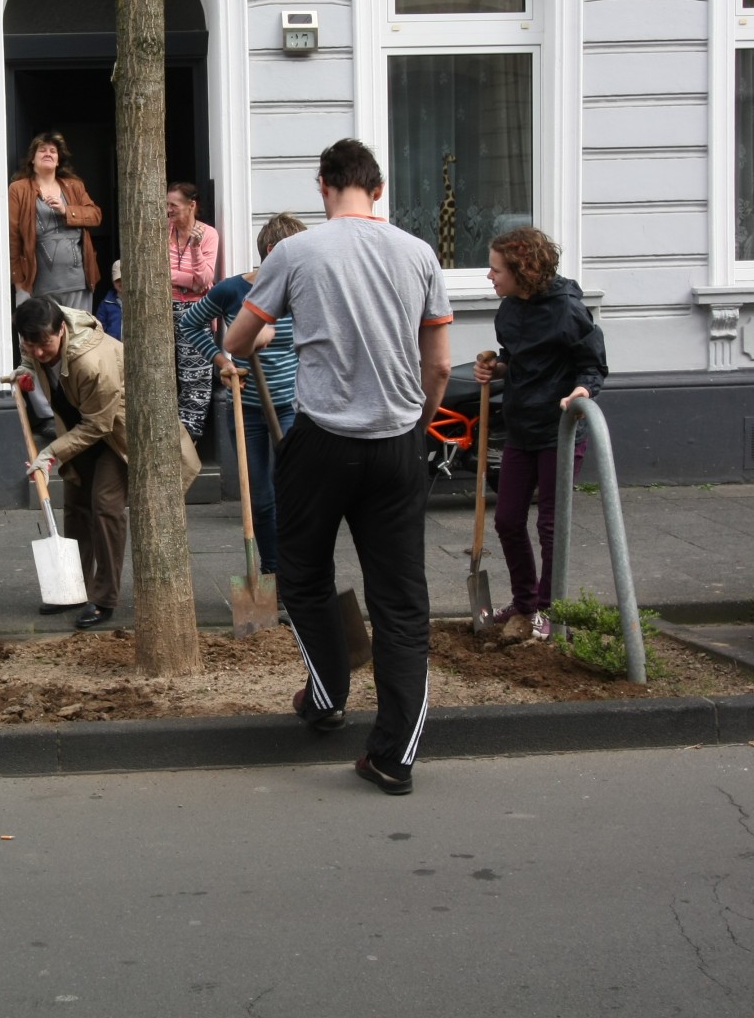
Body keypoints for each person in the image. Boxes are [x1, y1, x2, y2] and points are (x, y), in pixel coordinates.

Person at [225, 139, 451, 797]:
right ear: (376, 190)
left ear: (323, 186)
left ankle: (326, 697)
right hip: (398, 442)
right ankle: (394, 757)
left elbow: (239, 339)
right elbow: (437, 364)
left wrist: (260, 331)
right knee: (402, 603)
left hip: (321, 441)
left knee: (300, 575)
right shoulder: (420, 254)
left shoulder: (296, 252)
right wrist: (419, 424)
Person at [14, 296, 200, 630]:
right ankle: (75, 587)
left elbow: (98, 426)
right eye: (31, 345)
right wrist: (27, 369)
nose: (39, 351)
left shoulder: (91, 361)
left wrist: (49, 454)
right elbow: (34, 358)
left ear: (61, 330)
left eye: (45, 344)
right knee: (76, 505)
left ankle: (104, 598)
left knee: (105, 505)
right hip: (80, 424)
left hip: (121, 432)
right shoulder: (34, 334)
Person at [472, 225, 608, 641]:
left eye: (496, 269)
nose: (489, 277)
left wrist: (582, 391)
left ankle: (549, 612)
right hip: (521, 428)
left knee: (550, 526)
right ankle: (524, 600)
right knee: (509, 520)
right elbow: (519, 360)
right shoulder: (510, 309)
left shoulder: (568, 310)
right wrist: (495, 368)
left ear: (522, 269)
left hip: (560, 434)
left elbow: (593, 365)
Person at [177, 212, 305, 575]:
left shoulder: (302, 290)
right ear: (271, 251)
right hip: (246, 410)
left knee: (293, 493)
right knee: (261, 498)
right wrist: (221, 362)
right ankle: (271, 571)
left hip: (294, 408)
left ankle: (297, 571)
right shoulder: (233, 290)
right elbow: (191, 322)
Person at [9, 131, 102, 314]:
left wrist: (66, 210)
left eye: (53, 151)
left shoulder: (74, 186)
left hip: (78, 284)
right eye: (42, 150)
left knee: (78, 341)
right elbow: (13, 237)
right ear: (32, 159)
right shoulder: (18, 189)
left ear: (58, 160)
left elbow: (95, 215)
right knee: (44, 340)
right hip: (41, 287)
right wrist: (20, 284)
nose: (48, 154)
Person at [166, 182, 220, 440]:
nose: (168, 210)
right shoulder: (163, 231)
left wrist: (196, 250)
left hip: (196, 312)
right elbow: (157, 273)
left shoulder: (208, 235)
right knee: (165, 374)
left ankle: (188, 441)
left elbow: (204, 280)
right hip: (165, 308)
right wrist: (185, 278)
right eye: (166, 205)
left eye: (173, 205)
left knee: (195, 380)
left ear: (191, 205)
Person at [94, 259, 124, 341]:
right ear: (112, 280)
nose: (122, 283)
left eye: (125, 278)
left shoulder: (138, 302)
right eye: (118, 280)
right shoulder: (105, 304)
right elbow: (99, 328)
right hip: (113, 346)